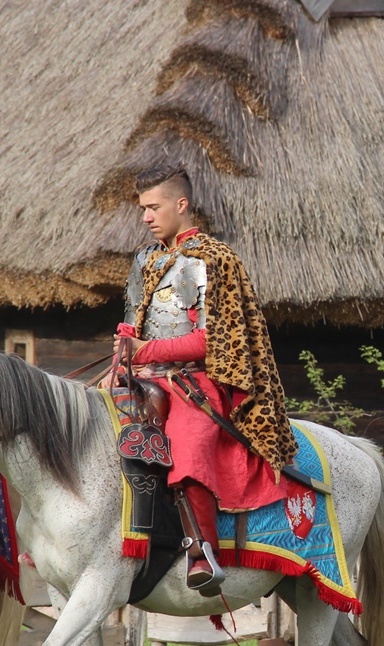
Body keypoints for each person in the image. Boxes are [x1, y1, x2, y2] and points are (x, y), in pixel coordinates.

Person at [112, 164, 295, 594]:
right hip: (138, 378)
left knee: (188, 450)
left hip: (196, 384)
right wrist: (122, 356)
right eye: (142, 209)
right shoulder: (145, 260)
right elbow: (131, 328)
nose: (145, 217)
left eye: (153, 207)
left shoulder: (212, 260)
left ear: (181, 204)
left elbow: (214, 341)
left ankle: (201, 552)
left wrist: (147, 352)